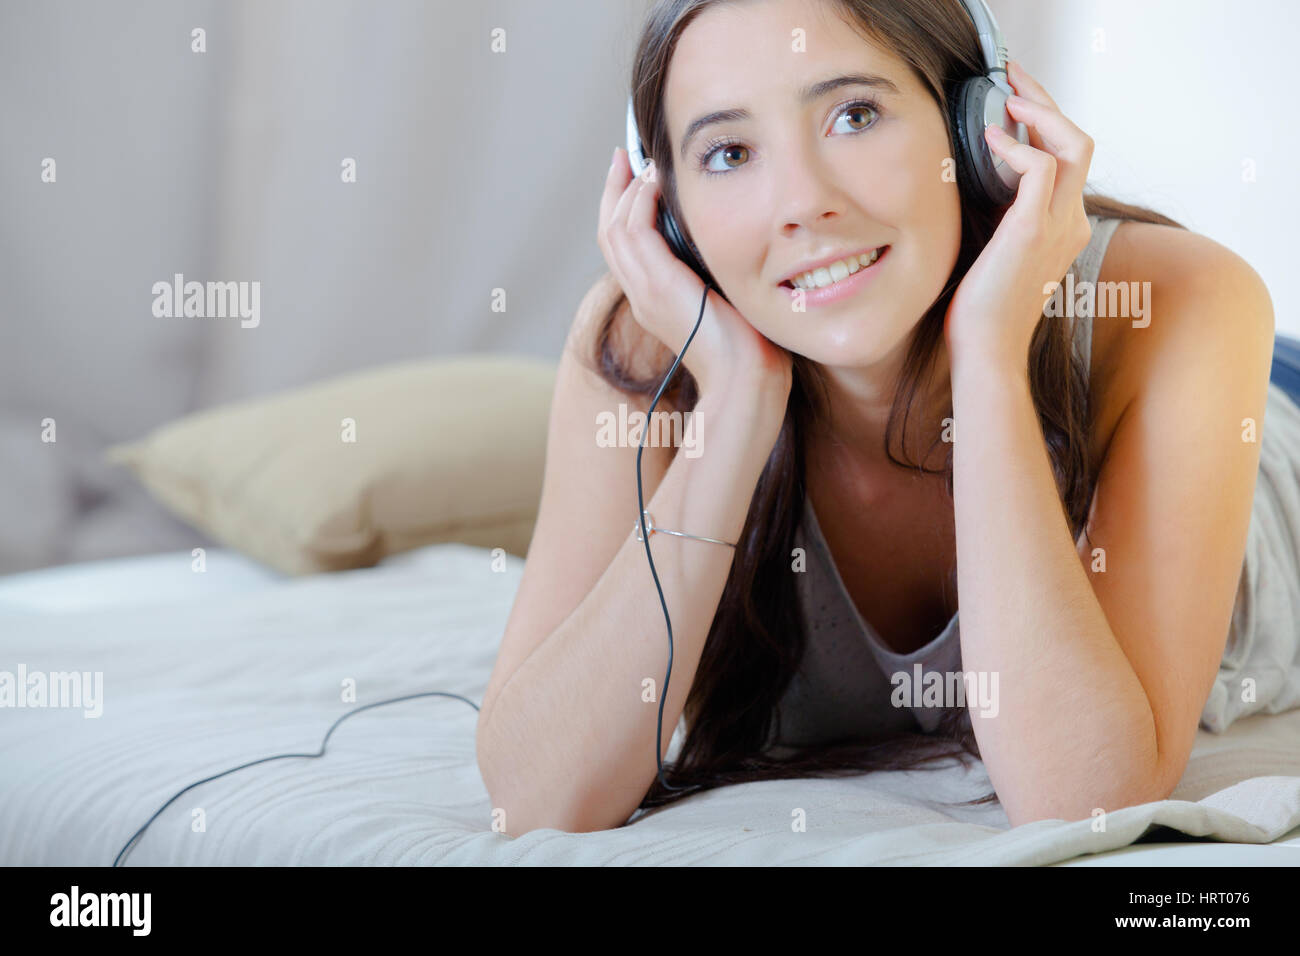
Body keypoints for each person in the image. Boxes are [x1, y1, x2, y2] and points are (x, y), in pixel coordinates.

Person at [475, 0, 1295, 837]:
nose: (801, 203)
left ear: (977, 128)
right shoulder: (644, 351)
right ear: (672, 219)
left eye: (854, 114)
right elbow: (536, 801)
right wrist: (734, 407)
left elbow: (1082, 799)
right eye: (728, 152)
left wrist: (987, 351)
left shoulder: (1187, 302)